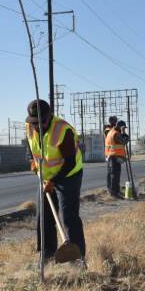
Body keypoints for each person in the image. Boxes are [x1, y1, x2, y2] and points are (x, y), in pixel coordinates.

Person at [25, 99, 86, 260]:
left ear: (49, 116)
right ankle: (47, 253)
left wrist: (53, 181)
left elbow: (70, 162)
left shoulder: (63, 130)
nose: (37, 126)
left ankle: (77, 256)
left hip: (69, 175)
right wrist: (32, 161)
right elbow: (31, 149)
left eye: (41, 122)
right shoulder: (30, 127)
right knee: (43, 216)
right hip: (45, 177)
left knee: (68, 216)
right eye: (34, 122)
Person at [104, 119, 129, 198]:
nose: (124, 129)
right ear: (120, 127)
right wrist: (124, 132)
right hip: (114, 156)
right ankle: (114, 193)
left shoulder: (111, 132)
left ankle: (113, 191)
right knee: (115, 175)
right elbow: (124, 141)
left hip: (110, 156)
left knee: (111, 174)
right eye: (123, 128)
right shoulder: (116, 134)